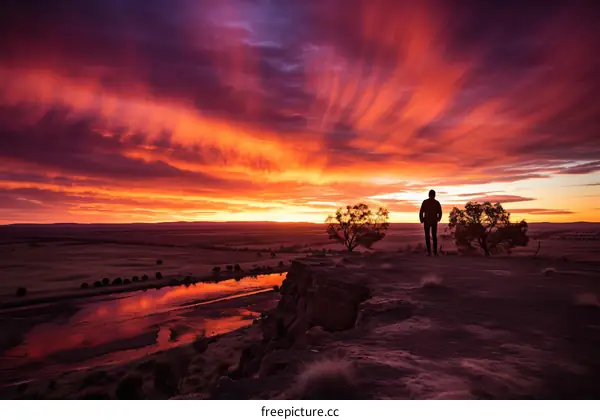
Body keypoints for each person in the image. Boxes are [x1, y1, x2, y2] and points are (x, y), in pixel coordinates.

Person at [419, 189, 442, 256]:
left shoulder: (436, 203)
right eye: (431, 195)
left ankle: (434, 252)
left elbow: (440, 212)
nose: (432, 196)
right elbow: (421, 211)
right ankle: (430, 252)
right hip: (428, 221)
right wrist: (422, 219)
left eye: (432, 195)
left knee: (433, 236)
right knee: (428, 236)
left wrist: (438, 218)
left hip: (432, 221)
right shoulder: (426, 202)